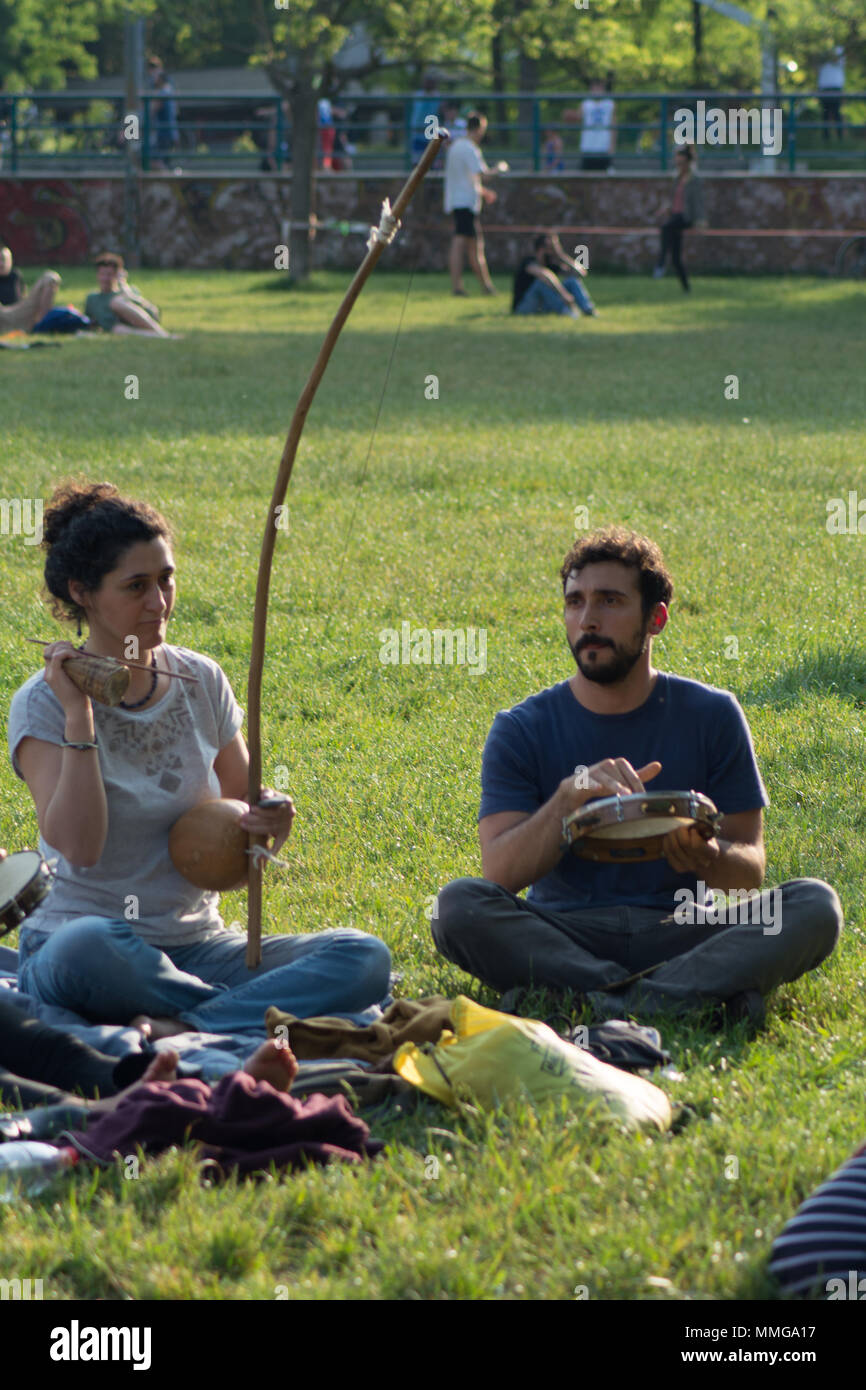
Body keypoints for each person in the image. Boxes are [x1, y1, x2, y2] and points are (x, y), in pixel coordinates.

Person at [7, 481, 392, 1038]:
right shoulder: (43, 703)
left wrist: (270, 821)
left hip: (197, 947)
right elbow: (81, 847)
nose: (159, 603)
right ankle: (248, 1012)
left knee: (363, 958)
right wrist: (79, 715)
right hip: (85, 948)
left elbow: (242, 810)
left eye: (166, 580)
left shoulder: (199, 678)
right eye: (136, 586)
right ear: (82, 592)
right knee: (88, 946)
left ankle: (187, 1023)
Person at [431, 527, 842, 1024]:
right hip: (564, 930)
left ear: (656, 618)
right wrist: (567, 799)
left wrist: (709, 857)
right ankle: (685, 993)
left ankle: (588, 998)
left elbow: (749, 871)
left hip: (685, 926)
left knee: (815, 905)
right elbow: (498, 874)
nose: (588, 619)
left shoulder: (713, 714)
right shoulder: (522, 727)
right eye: (575, 602)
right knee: (455, 906)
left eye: (610, 601)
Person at [444, 113, 504, 297]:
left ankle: (481, 286)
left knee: (471, 246)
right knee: (466, 244)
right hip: (466, 203)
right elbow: (483, 174)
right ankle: (473, 287)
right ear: (478, 129)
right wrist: (500, 168)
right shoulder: (470, 149)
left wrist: (484, 192)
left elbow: (467, 179)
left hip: (457, 201)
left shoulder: (455, 147)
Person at [84, 252, 175, 338]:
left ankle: (161, 333)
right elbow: (90, 321)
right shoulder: (92, 298)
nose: (105, 278)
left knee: (116, 302)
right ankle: (157, 335)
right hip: (119, 328)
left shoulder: (128, 290)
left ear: (117, 275)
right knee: (116, 329)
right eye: (102, 274)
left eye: (109, 274)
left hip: (146, 320)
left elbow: (146, 307)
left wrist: (123, 284)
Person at [653, 145, 705, 292]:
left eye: (681, 163)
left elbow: (698, 201)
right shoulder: (676, 178)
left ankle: (661, 263)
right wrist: (665, 209)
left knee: (665, 228)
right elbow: (674, 199)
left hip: (686, 217)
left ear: (688, 163)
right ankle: (686, 288)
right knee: (676, 258)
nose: (679, 166)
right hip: (675, 217)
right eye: (677, 163)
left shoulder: (695, 180)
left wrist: (701, 220)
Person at [512, 233, 597, 318]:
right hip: (523, 308)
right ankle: (567, 312)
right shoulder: (529, 262)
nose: (552, 251)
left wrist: (560, 255)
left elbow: (580, 273)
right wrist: (564, 294)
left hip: (542, 307)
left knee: (572, 281)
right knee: (541, 283)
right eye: (551, 248)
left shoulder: (550, 264)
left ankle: (588, 310)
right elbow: (545, 275)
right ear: (541, 249)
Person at [0, 244, 59, 332]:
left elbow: (23, 297)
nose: (1, 264)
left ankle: (42, 324)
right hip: (2, 315)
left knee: (50, 278)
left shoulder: (15, 276)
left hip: (19, 311)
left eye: (3, 260)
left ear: (11, 261)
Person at [578, 79, 616, 172]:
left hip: (603, 147)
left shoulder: (610, 104)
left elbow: (614, 126)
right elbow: (577, 117)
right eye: (594, 87)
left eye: (599, 87)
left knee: (604, 177)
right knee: (585, 177)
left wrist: (612, 147)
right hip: (588, 147)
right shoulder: (585, 104)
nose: (597, 90)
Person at [817, 47, 845, 143]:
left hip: (835, 89)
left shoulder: (838, 52)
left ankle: (840, 138)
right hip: (824, 90)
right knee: (825, 114)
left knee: (836, 114)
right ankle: (826, 138)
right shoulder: (821, 57)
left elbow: (836, 59)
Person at [411, 75, 441, 162]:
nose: (428, 84)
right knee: (417, 160)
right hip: (418, 133)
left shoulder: (438, 97)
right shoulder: (418, 95)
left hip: (431, 134)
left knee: (431, 160)